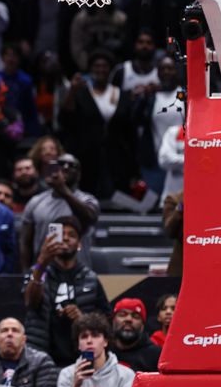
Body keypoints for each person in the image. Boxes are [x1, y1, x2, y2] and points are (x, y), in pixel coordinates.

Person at [23, 216, 109, 367]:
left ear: (79, 244)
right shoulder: (38, 271)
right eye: (61, 234)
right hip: (41, 356)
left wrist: (83, 319)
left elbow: (106, 322)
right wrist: (42, 262)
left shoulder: (91, 279)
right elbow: (30, 301)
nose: (66, 238)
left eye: (72, 235)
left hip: (79, 359)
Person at [18, 153, 101, 267]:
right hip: (43, 273)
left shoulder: (88, 200)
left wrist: (62, 189)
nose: (66, 167)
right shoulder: (35, 201)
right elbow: (26, 242)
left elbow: (88, 218)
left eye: (72, 165)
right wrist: (26, 271)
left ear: (79, 175)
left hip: (79, 273)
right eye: (61, 164)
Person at [109, 298, 161, 372]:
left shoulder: (156, 355)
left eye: (135, 316)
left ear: (143, 325)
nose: (129, 319)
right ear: (113, 320)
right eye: (122, 314)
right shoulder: (102, 350)